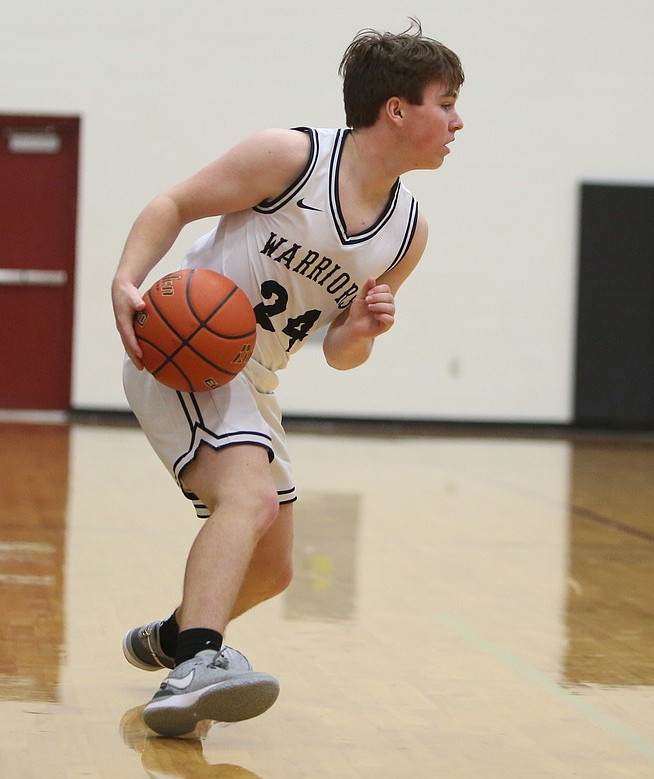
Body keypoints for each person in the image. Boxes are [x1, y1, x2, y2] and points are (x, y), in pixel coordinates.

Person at [110, 20, 464, 737]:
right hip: (185, 352)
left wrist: (361, 330)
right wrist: (127, 277)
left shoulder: (407, 231)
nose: (458, 120)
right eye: (446, 101)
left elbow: (337, 352)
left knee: (273, 569)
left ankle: (177, 635)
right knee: (247, 496)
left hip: (256, 381)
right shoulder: (293, 157)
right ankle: (199, 661)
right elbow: (173, 203)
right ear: (397, 109)